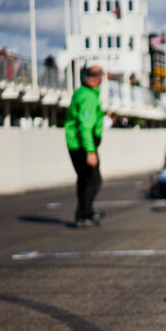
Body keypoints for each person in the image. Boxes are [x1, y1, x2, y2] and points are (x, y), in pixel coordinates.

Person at [64, 65, 106, 228]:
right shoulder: (87, 96)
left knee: (85, 180)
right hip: (82, 145)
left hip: (78, 143)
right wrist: (90, 151)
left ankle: (86, 212)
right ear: (98, 78)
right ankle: (83, 214)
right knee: (93, 180)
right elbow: (85, 126)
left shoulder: (83, 93)